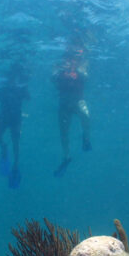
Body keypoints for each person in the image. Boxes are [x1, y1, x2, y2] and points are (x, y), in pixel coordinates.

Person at [0, 62, 30, 188]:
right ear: (7, 79)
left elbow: (29, 98)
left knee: (16, 143)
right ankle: (3, 147)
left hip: (16, 119)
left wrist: (25, 87)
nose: (12, 81)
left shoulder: (21, 89)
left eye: (14, 78)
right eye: (10, 78)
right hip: (3, 117)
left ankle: (15, 166)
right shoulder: (1, 90)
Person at [52, 41, 91, 177]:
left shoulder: (82, 63)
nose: (70, 59)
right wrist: (61, 71)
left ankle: (86, 137)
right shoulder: (59, 64)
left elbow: (86, 77)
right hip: (64, 102)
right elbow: (53, 78)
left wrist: (79, 71)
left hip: (78, 99)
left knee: (86, 115)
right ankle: (66, 156)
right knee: (64, 132)